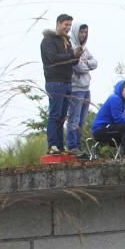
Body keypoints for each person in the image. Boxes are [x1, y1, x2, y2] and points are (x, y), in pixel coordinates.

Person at [40, 13, 82, 154]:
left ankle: (59, 146)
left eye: (70, 25)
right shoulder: (48, 40)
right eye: (66, 25)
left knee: (62, 116)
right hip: (54, 82)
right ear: (58, 23)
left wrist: (77, 56)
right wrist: (72, 55)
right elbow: (53, 58)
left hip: (66, 82)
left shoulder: (67, 41)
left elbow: (71, 60)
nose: (68, 28)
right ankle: (52, 145)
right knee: (55, 114)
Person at [66, 22, 97, 154]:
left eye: (85, 32)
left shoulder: (85, 48)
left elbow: (95, 63)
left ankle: (79, 146)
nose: (83, 35)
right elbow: (78, 66)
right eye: (81, 32)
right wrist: (86, 64)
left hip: (86, 88)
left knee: (82, 120)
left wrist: (86, 63)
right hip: (75, 88)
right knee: (74, 118)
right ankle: (72, 145)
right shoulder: (71, 46)